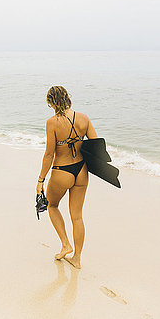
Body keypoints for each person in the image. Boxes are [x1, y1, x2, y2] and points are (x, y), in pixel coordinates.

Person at [36, 86, 97, 269]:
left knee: (52, 205)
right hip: (81, 171)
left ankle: (65, 244)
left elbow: (49, 154)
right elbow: (96, 146)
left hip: (62, 170)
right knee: (77, 216)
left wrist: (40, 181)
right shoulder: (83, 118)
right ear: (68, 98)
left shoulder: (52, 122)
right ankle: (77, 258)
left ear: (51, 102)